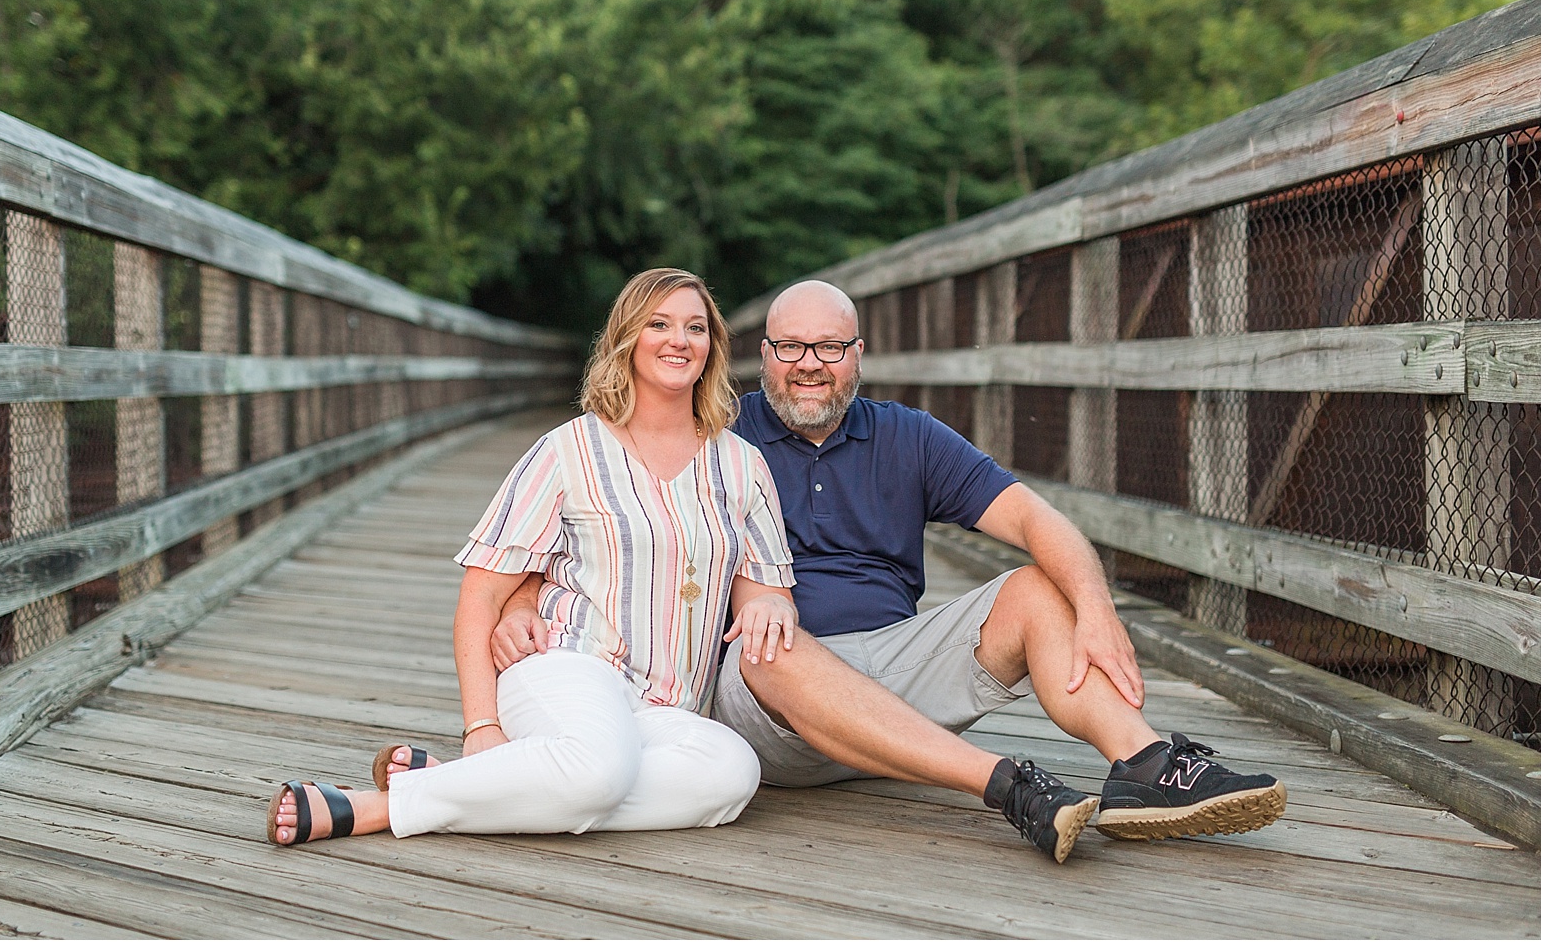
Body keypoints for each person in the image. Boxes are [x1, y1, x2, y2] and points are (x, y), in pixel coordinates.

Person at [492, 279, 1286, 864]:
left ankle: (1143, 765)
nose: (811, 365)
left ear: (857, 355)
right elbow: (605, 510)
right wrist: (522, 596)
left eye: (830, 348)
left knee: (1035, 587)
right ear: (762, 355)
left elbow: (1034, 519)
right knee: (773, 637)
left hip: (894, 665)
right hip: (771, 704)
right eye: (792, 347)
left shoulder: (906, 435)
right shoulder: (715, 435)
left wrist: (1096, 608)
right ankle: (1004, 784)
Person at [265, 267, 798, 846]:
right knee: (598, 768)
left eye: (696, 327)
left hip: (671, 705)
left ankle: (478, 788)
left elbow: (767, 591)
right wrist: (481, 726)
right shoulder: (568, 450)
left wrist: (774, 603)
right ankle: (376, 807)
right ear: (628, 339)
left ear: (713, 348)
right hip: (570, 667)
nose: (679, 340)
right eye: (659, 324)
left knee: (730, 774)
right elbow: (481, 597)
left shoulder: (743, 465)